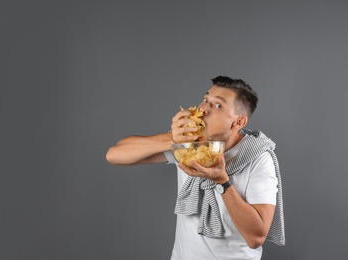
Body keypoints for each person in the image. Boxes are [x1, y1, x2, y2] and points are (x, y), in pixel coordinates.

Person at [106, 76, 285, 260]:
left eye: (218, 106)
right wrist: (172, 140)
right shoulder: (189, 144)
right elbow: (115, 155)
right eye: (206, 99)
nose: (203, 109)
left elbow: (256, 237)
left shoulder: (258, 158)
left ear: (238, 122)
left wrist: (222, 181)